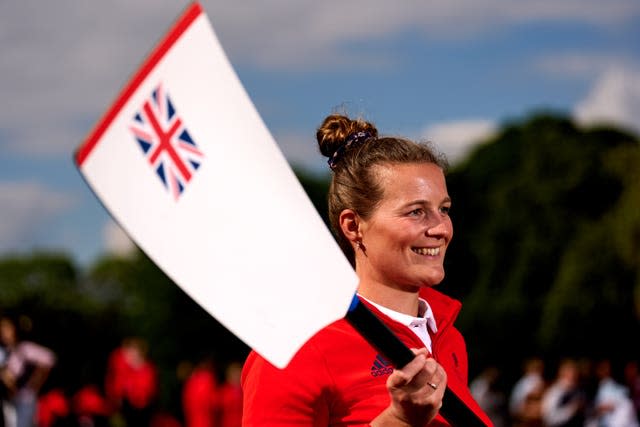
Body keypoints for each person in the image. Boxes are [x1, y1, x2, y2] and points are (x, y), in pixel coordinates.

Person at [241, 113, 492, 426]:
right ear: (353, 226)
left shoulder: (448, 336)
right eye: (416, 212)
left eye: (443, 209)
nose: (441, 228)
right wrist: (397, 420)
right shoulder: (298, 348)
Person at [0, 316, 56, 427]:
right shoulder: (6, 350)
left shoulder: (24, 348)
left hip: (25, 399)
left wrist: (35, 383)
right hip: (10, 400)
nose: (3, 333)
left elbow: (49, 359)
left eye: (7, 329)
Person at [540, 358, 586, 427]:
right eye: (570, 374)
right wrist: (571, 410)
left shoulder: (579, 392)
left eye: (575, 375)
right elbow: (549, 418)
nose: (574, 377)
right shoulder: (554, 392)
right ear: (562, 374)